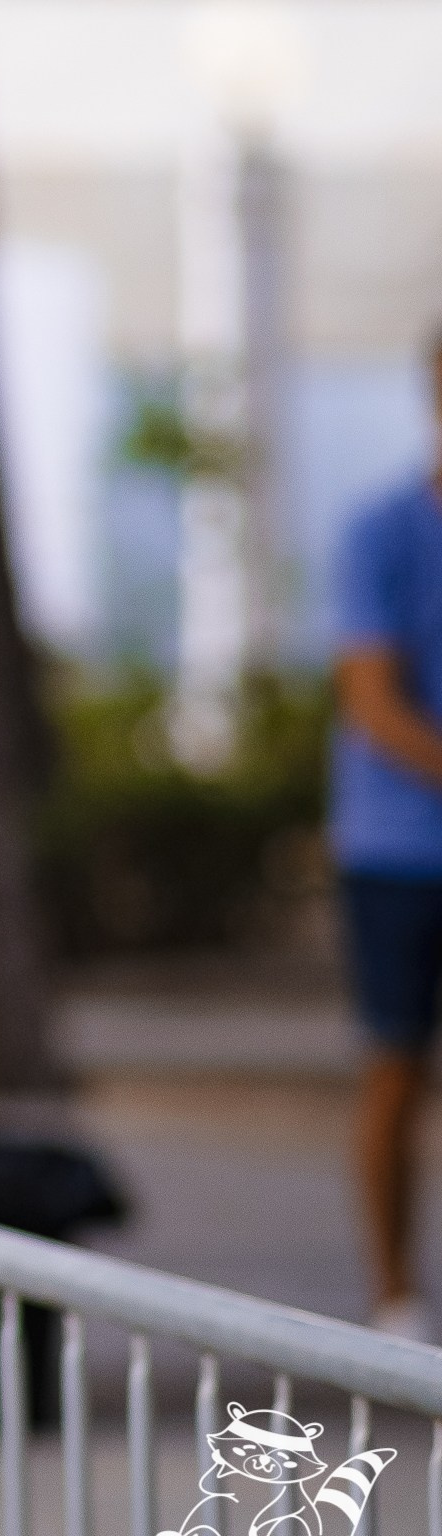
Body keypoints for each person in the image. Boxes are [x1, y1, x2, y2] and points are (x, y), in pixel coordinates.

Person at [332, 330, 442, 1340]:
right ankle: (393, 1292)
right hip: (399, 848)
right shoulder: (380, 530)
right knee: (395, 1067)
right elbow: (372, 699)